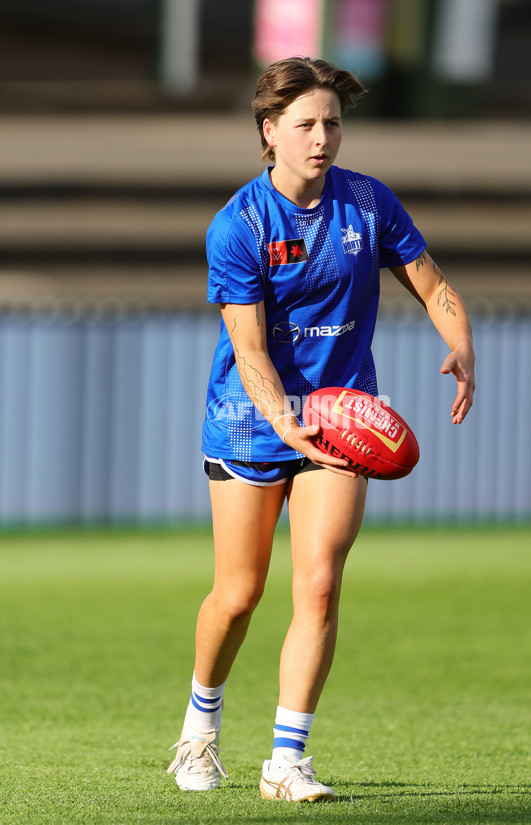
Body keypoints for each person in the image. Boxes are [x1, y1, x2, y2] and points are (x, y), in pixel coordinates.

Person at [167, 56, 475, 803]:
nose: (322, 137)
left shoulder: (368, 203)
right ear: (269, 132)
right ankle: (199, 729)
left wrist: (462, 341)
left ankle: (287, 759)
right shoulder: (238, 225)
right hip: (249, 420)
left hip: (339, 420)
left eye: (332, 122)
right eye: (304, 124)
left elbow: (433, 284)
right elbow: (248, 350)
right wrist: (283, 420)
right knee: (238, 595)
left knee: (320, 587)